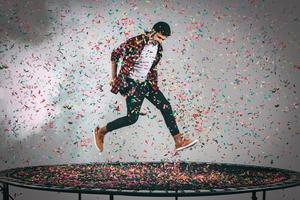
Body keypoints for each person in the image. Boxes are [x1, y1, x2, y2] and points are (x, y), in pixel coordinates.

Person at [94, 21, 198, 152]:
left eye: (163, 39)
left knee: (166, 106)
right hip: (132, 84)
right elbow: (115, 54)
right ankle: (102, 131)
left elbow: (150, 67)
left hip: (147, 83)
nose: (161, 41)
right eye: (159, 37)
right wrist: (114, 77)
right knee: (132, 119)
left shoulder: (159, 48)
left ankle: (178, 141)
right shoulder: (136, 41)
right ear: (153, 31)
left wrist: (150, 81)